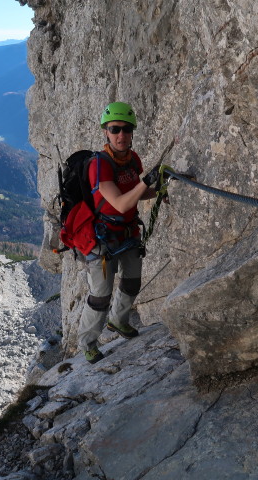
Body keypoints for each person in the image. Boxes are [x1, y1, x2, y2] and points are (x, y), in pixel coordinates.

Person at [77, 101, 161, 364]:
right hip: (101, 239)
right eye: (115, 129)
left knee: (132, 282)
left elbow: (136, 193)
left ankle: (118, 321)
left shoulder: (133, 160)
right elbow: (122, 202)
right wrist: (147, 183)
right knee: (100, 296)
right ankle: (87, 342)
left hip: (126, 232)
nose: (121, 135)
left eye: (126, 129)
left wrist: (158, 189)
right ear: (106, 132)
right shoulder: (98, 165)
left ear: (132, 131)